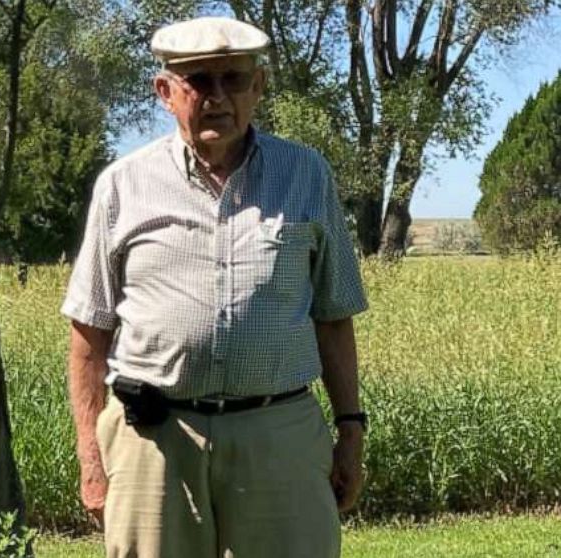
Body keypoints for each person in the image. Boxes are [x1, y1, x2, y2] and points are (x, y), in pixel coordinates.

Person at [61, 16, 369, 558]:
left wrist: (351, 430)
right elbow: (90, 329)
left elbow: (334, 314)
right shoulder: (123, 185)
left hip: (279, 435)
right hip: (153, 441)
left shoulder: (306, 174)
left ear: (259, 86)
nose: (218, 97)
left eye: (234, 79)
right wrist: (90, 452)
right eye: (200, 81)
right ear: (166, 91)